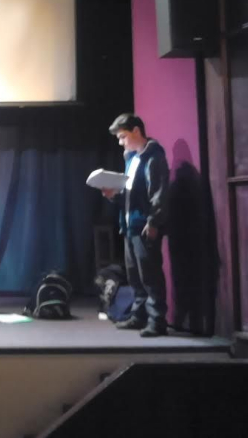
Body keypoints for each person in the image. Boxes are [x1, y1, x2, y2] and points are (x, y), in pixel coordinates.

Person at [102, 113, 170, 337]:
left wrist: (153, 221)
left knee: (150, 275)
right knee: (134, 275)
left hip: (144, 226)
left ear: (137, 131)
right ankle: (139, 315)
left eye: (123, 137)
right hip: (130, 226)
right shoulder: (131, 159)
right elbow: (131, 196)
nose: (121, 142)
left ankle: (157, 320)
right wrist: (114, 195)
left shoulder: (153, 157)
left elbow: (159, 193)